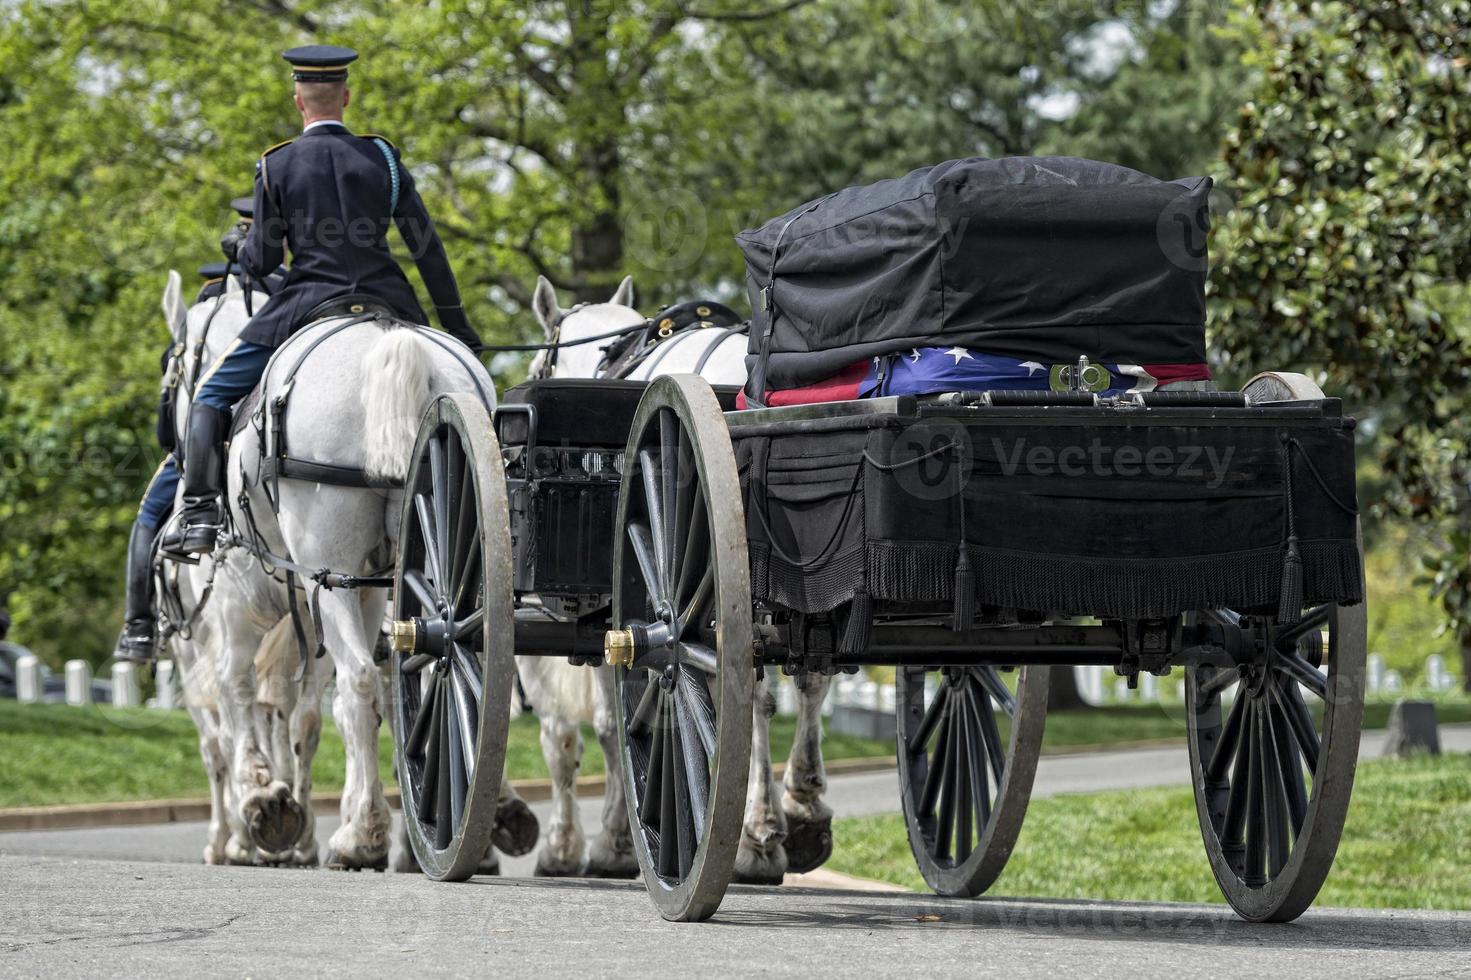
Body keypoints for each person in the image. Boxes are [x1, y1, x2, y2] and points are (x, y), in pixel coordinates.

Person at [169, 44, 483, 558]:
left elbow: (265, 261)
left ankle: (201, 511)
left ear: (299, 101)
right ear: (347, 97)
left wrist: (240, 250)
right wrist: (456, 325)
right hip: (389, 297)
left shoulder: (277, 164)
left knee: (208, 393)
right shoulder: (383, 157)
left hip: (307, 299)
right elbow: (427, 248)